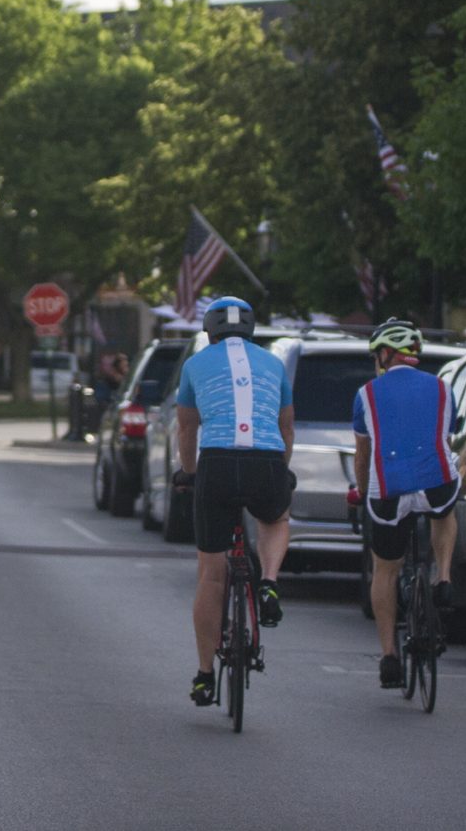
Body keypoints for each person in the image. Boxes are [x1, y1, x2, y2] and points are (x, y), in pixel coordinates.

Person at [170, 296, 294, 708]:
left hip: (218, 462)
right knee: (275, 518)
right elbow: (285, 425)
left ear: (210, 331)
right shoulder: (275, 363)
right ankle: (271, 581)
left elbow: (186, 427)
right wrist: (282, 468)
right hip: (267, 461)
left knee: (211, 574)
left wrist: (189, 473)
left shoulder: (195, 365)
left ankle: (205, 675)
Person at [352, 319, 460, 688]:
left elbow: (363, 453)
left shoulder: (366, 393)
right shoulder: (444, 389)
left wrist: (360, 490)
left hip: (389, 489)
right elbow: (445, 437)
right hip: (435, 483)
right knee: (445, 513)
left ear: (384, 354)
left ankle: (388, 657)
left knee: (386, 568)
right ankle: (443, 576)